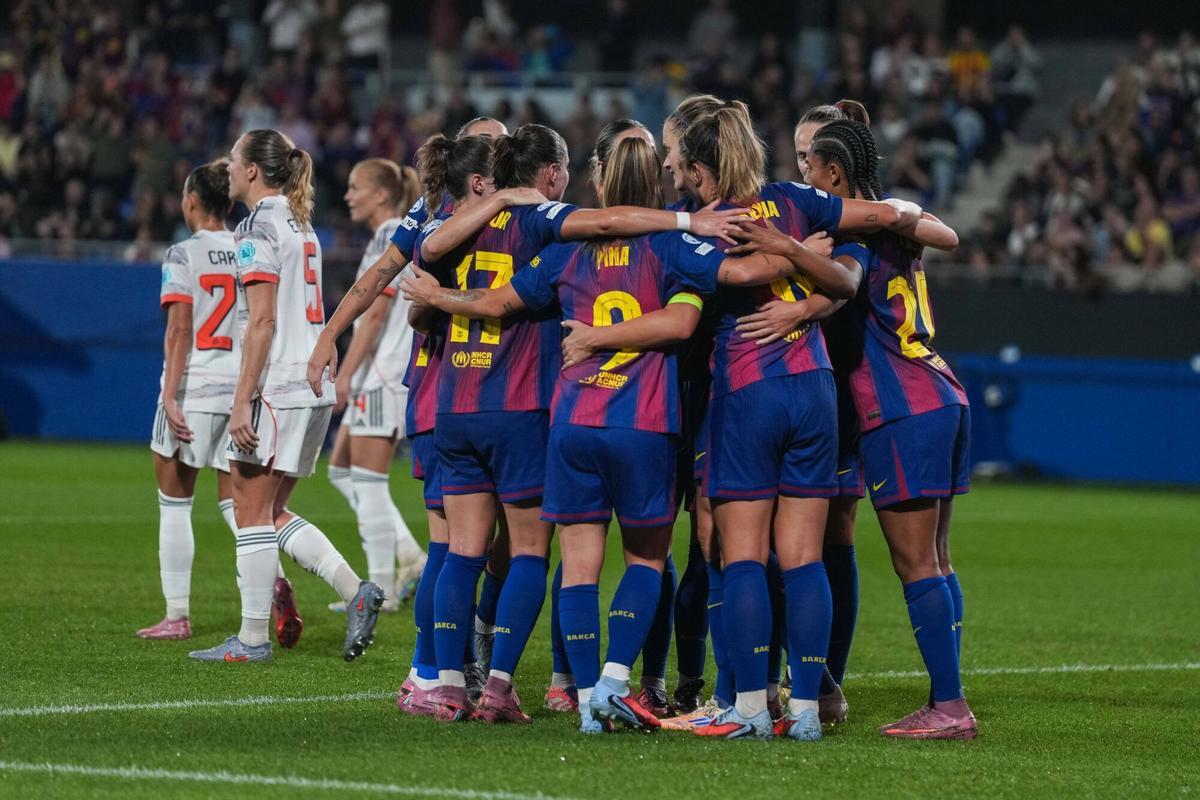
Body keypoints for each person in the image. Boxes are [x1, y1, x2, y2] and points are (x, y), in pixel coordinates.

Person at [401, 132, 829, 733]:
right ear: (658, 179)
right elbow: (711, 297)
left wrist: (435, 295)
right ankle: (617, 680)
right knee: (649, 562)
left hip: (571, 422)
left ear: (600, 184)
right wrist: (804, 255)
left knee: (573, 567)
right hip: (644, 423)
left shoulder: (565, 249)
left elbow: (496, 303)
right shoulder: (675, 244)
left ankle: (573, 704)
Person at [570, 101, 927, 741]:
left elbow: (730, 277)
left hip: (749, 388)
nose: (677, 178)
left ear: (705, 171)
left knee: (741, 559)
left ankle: (751, 708)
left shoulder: (703, 228)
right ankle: (810, 712)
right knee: (803, 559)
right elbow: (878, 229)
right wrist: (814, 247)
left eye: (683, 168)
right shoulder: (796, 198)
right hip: (816, 388)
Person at [802, 118, 975, 739]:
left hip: (901, 406)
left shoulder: (849, 231)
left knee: (914, 563)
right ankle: (947, 695)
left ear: (835, 174)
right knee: (937, 559)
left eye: (810, 169)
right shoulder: (895, 224)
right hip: (943, 390)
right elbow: (945, 233)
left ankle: (950, 707)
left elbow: (828, 284)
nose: (805, 180)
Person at [188, 129, 383, 664]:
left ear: (252, 171)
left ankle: (251, 639)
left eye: (232, 160)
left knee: (248, 511)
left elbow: (263, 323)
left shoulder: (256, 228)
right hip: (311, 389)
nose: (226, 169)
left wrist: (240, 401)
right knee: (272, 512)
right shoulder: (302, 225)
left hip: (275, 388)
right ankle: (354, 591)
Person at [140, 160, 249, 641]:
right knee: (242, 506)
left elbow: (180, 329)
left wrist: (169, 394)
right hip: (241, 389)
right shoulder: (250, 250)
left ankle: (177, 615)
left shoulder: (183, 254)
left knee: (175, 503)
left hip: (195, 386)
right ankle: (277, 586)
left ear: (190, 201)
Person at [326, 159, 426, 614]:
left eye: (355, 187)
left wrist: (345, 373)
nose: (348, 195)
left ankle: (379, 589)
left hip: (385, 373)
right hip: (381, 374)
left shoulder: (391, 237)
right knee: (340, 469)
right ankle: (408, 558)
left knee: (366, 479)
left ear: (382, 195)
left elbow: (377, 313)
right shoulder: (387, 235)